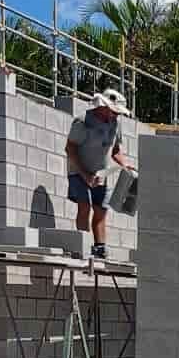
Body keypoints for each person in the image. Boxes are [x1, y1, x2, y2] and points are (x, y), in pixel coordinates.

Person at [65, 89, 133, 259]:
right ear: (103, 106)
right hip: (79, 172)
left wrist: (125, 164)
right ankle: (82, 246)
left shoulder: (115, 124)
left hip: (100, 174)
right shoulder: (83, 122)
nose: (116, 116)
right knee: (85, 206)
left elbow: (116, 150)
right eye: (114, 112)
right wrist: (85, 175)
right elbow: (70, 149)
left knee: (101, 210)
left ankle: (100, 248)